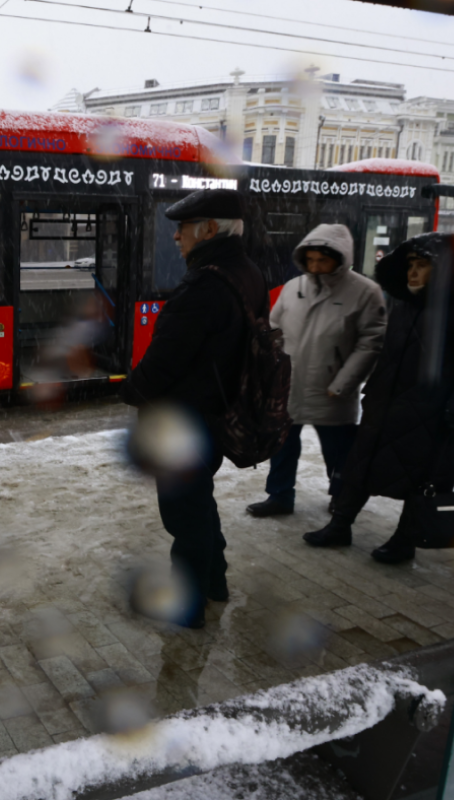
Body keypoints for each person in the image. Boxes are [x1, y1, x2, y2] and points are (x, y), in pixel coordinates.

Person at [121, 189, 267, 628]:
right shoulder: (247, 272)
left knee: (185, 516)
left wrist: (131, 389)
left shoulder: (204, 284)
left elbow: (166, 359)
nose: (176, 238)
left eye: (182, 229)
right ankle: (215, 582)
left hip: (186, 418)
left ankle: (187, 606)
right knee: (199, 503)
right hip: (216, 411)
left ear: (207, 230)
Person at [303, 232, 454, 563]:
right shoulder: (404, 303)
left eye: (423, 266)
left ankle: (406, 540)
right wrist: (373, 391)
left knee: (424, 480)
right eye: (410, 265)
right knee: (359, 467)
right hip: (385, 406)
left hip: (433, 415)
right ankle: (340, 525)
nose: (413, 273)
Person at [246, 224, 387, 517]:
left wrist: (344, 383)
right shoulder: (293, 288)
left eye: (322, 260)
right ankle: (280, 496)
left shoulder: (365, 292)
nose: (315, 266)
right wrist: (269, 370)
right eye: (310, 259)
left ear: (341, 258)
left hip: (332, 389)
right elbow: (274, 329)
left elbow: (371, 343)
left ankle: (341, 498)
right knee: (282, 447)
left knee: (338, 453)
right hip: (290, 386)